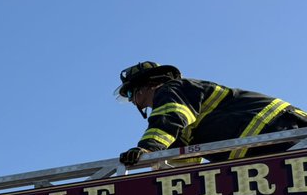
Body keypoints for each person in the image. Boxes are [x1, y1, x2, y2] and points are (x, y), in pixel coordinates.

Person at [116, 61, 307, 165]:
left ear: (146, 85)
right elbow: (187, 161)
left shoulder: (171, 90)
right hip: (264, 146)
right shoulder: (179, 126)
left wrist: (148, 149)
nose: (132, 100)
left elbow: (170, 116)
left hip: (280, 129)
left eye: (131, 93)